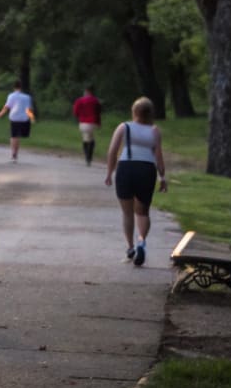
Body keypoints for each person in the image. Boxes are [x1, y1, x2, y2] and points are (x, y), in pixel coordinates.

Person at [103, 96, 168, 267]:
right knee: (143, 212)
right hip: (147, 170)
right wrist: (163, 177)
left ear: (134, 111)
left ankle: (130, 248)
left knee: (127, 212)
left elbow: (112, 151)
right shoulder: (155, 131)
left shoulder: (124, 127)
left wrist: (109, 173)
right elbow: (158, 156)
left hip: (127, 168)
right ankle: (141, 242)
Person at [0, 80, 35, 162]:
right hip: (24, 118)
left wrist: (0, 114)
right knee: (18, 136)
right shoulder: (27, 97)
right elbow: (29, 110)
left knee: (14, 136)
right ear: (21, 88)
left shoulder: (11, 96)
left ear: (14, 87)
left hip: (14, 117)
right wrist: (32, 118)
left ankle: (14, 153)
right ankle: (16, 152)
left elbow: (7, 107)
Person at [72, 84, 103, 166]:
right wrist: (99, 123)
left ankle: (87, 157)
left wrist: (80, 116)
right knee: (90, 139)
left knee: (86, 139)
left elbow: (75, 112)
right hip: (92, 123)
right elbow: (99, 112)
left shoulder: (79, 100)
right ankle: (88, 157)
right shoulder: (96, 101)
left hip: (83, 122)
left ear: (86, 91)